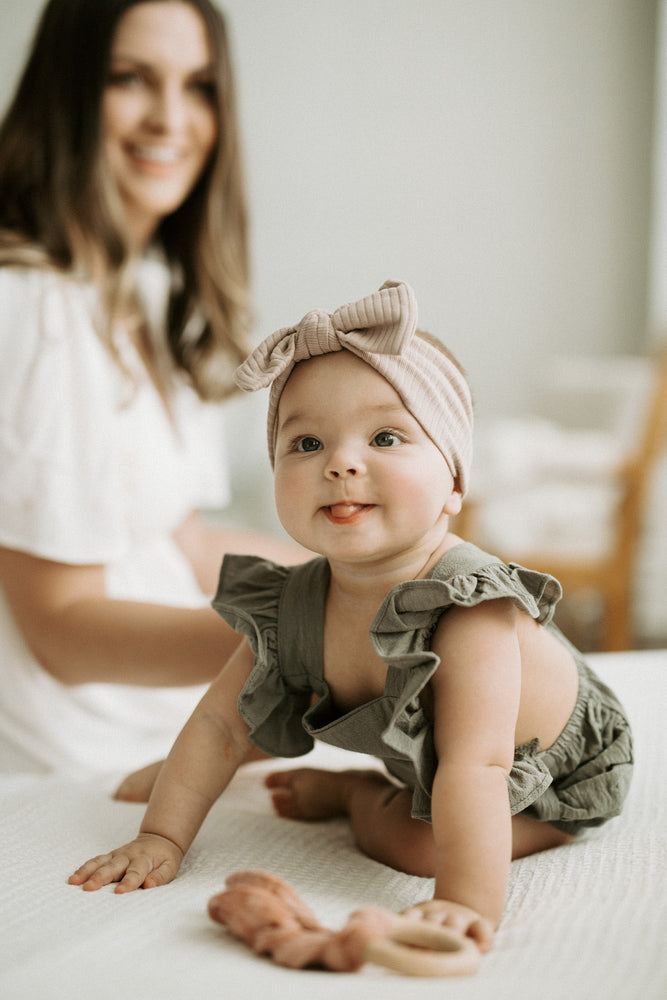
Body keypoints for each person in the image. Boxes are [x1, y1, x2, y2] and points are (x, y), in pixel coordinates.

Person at [69, 280, 633, 956]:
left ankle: (358, 798)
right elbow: (221, 722)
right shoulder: (292, 606)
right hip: (439, 766)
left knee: (419, 845)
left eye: (385, 436)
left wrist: (461, 903)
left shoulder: (468, 608)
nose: (340, 462)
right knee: (251, 715)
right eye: (305, 443)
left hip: (544, 772)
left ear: (454, 481)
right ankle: (322, 785)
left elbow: (476, 770)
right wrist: (162, 832)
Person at [0, 0, 300, 783]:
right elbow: (60, 632)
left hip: (170, 718)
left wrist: (377, 579)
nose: (171, 117)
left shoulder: (152, 294)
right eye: (130, 79)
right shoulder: (28, 308)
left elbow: (183, 544)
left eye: (199, 86)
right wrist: (312, 639)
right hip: (75, 766)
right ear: (65, 92)